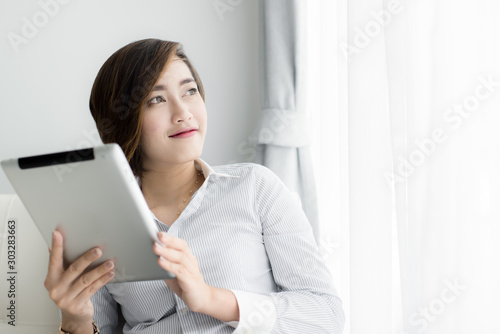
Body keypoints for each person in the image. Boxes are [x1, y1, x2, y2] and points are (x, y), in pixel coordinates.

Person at [44, 38, 345, 334]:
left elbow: (326, 315)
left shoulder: (255, 187)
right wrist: (75, 320)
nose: (183, 112)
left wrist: (210, 299)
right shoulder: (100, 224)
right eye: (156, 99)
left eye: (190, 91)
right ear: (121, 120)